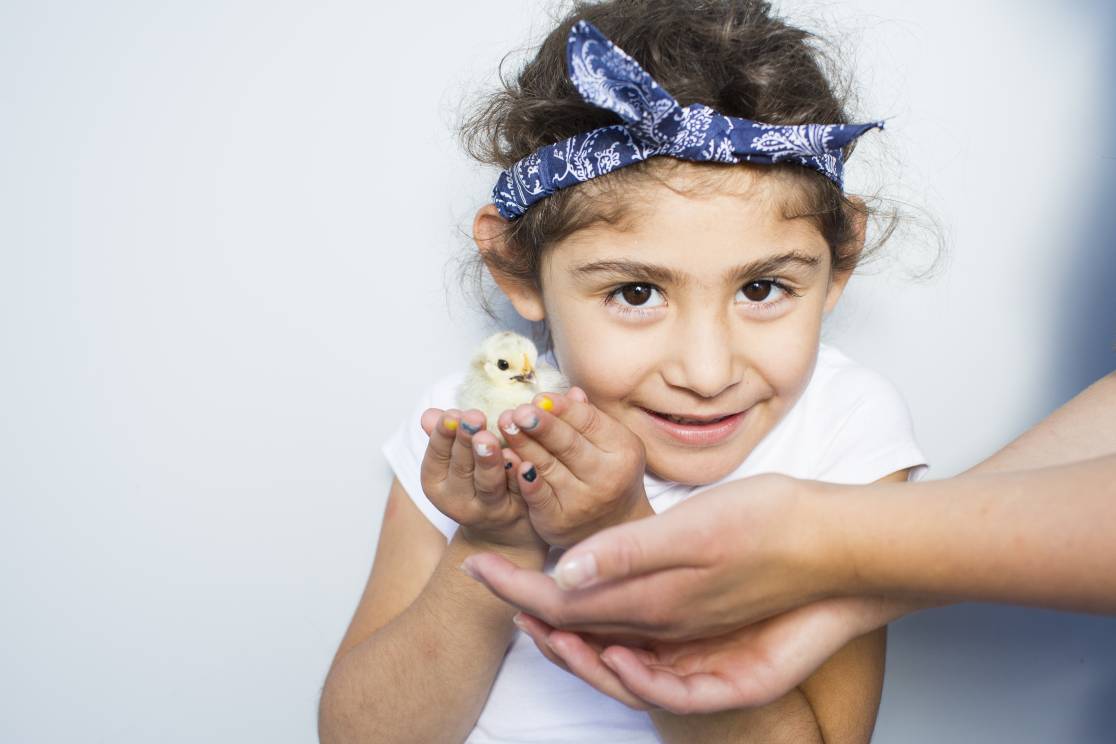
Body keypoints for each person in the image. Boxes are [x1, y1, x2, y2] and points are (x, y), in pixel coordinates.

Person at [318, 2, 930, 742]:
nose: (706, 374)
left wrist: (618, 534)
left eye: (761, 288)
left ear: (842, 259)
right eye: (635, 293)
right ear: (516, 267)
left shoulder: (843, 431)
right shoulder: (470, 427)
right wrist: (497, 542)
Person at [461, 371, 1116, 714]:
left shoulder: (846, 417)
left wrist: (818, 540)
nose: (707, 372)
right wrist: (841, 590)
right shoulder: (471, 417)